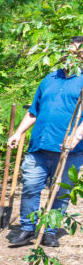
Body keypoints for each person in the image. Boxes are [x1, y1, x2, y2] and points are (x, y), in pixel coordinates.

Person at [7, 36, 83, 248]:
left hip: (70, 151)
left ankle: (49, 232)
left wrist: (76, 136)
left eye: (79, 53)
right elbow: (34, 111)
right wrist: (18, 133)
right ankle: (27, 229)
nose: (73, 56)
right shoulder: (49, 79)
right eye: (70, 51)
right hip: (39, 147)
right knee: (30, 187)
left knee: (61, 193)